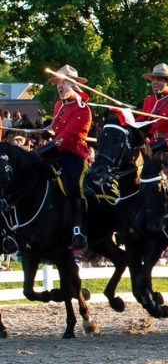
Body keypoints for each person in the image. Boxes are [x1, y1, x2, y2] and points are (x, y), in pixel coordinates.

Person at [46, 65, 93, 250]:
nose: (60, 85)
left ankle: (79, 228)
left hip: (73, 153)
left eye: (64, 82)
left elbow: (69, 134)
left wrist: (51, 144)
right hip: (56, 152)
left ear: (74, 85)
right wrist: (46, 132)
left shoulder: (82, 108)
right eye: (58, 82)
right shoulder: (58, 105)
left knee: (76, 186)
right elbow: (55, 129)